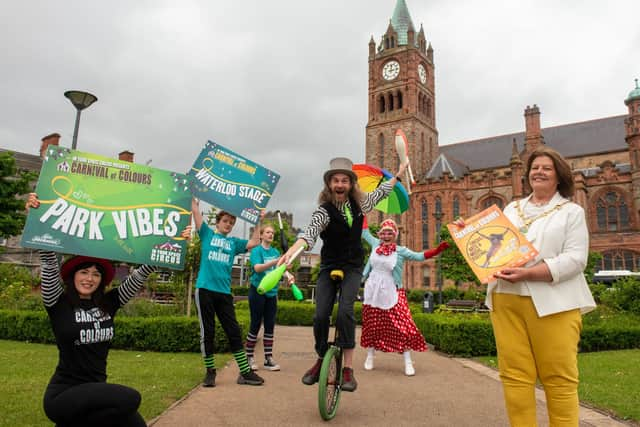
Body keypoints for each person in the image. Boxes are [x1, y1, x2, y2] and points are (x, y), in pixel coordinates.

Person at [455, 147, 596, 426]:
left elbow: (576, 260)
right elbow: (496, 245)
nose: (539, 171)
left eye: (547, 168)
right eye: (534, 167)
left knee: (559, 378)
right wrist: (469, 231)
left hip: (555, 302)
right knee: (515, 376)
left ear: (559, 176)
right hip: (506, 299)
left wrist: (528, 274)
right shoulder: (512, 208)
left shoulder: (571, 212)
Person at [26, 193, 190, 427]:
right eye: (84, 272)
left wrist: (175, 241)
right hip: (64, 394)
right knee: (130, 399)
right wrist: (37, 213)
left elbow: (142, 273)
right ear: (73, 275)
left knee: (135, 423)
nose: (89, 278)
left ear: (101, 280)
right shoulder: (57, 301)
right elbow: (49, 261)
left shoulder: (109, 302)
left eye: (96, 273)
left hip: (97, 390)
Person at [280, 157, 408, 392]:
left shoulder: (362, 205)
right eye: (335, 181)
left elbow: (383, 191)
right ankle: (320, 359)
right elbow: (309, 235)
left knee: (345, 312)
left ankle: (348, 369)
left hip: (352, 267)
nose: (340, 185)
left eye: (344, 181)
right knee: (320, 316)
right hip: (329, 266)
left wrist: (398, 173)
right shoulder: (324, 212)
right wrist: (292, 252)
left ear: (351, 185)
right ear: (329, 185)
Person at [191, 198, 265, 387]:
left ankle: (245, 373)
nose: (229, 225)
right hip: (205, 290)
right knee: (207, 332)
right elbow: (196, 214)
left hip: (224, 293)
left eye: (232, 223)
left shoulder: (233, 242)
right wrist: (195, 203)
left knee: (233, 331)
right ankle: (210, 372)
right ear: (218, 222)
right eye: (226, 221)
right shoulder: (207, 234)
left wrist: (258, 220)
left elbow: (255, 241)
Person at [360, 218, 448, 376]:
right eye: (383, 232)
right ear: (380, 234)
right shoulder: (374, 244)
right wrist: (363, 211)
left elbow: (419, 256)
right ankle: (370, 356)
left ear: (395, 235)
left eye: (390, 233)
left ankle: (407, 361)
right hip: (373, 291)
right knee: (372, 324)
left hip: (393, 290)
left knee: (403, 325)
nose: (386, 236)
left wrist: (436, 251)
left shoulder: (401, 251)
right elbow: (364, 231)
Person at [245, 224, 293, 371]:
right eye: (267, 232)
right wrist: (275, 262)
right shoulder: (256, 251)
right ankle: (249, 357)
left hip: (272, 293)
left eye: (272, 233)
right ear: (261, 235)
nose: (271, 234)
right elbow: (257, 268)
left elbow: (279, 270)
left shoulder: (275, 251)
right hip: (258, 291)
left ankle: (268, 358)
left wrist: (288, 275)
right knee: (255, 324)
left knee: (270, 326)